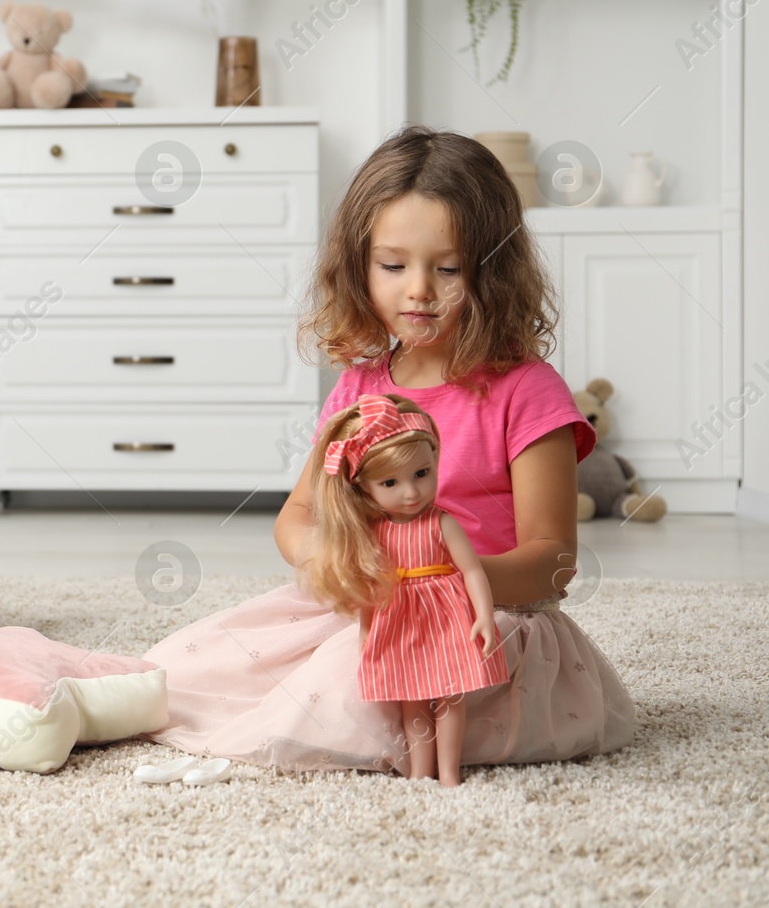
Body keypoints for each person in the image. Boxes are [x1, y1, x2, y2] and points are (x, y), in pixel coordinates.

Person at [141, 125, 636, 777]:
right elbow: (298, 516)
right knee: (184, 665)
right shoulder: (360, 386)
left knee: (349, 681)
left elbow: (554, 562)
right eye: (394, 265)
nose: (419, 290)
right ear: (358, 266)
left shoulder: (527, 389)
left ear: (493, 271)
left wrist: (447, 584)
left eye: (449, 267)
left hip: (485, 623)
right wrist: (336, 563)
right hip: (370, 606)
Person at [300, 393, 508, 787]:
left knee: (451, 697)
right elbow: (371, 588)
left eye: (422, 474)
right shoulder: (373, 534)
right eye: (391, 483)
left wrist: (482, 614)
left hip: (446, 617)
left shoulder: (442, 522)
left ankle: (449, 772)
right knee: (411, 701)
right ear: (362, 487)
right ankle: (419, 772)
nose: (411, 492)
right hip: (398, 619)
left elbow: (473, 571)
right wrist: (365, 632)